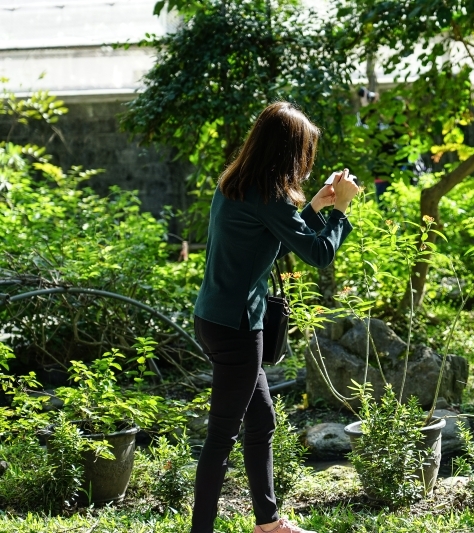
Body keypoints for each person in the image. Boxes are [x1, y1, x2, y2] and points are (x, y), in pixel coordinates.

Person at [190, 101, 359, 533]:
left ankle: (268, 523)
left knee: (261, 420)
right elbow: (318, 253)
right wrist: (341, 209)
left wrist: (315, 208)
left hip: (214, 318)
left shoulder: (236, 183)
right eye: (304, 151)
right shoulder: (271, 195)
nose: (306, 161)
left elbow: (269, 243)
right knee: (221, 437)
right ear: (288, 152)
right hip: (238, 329)